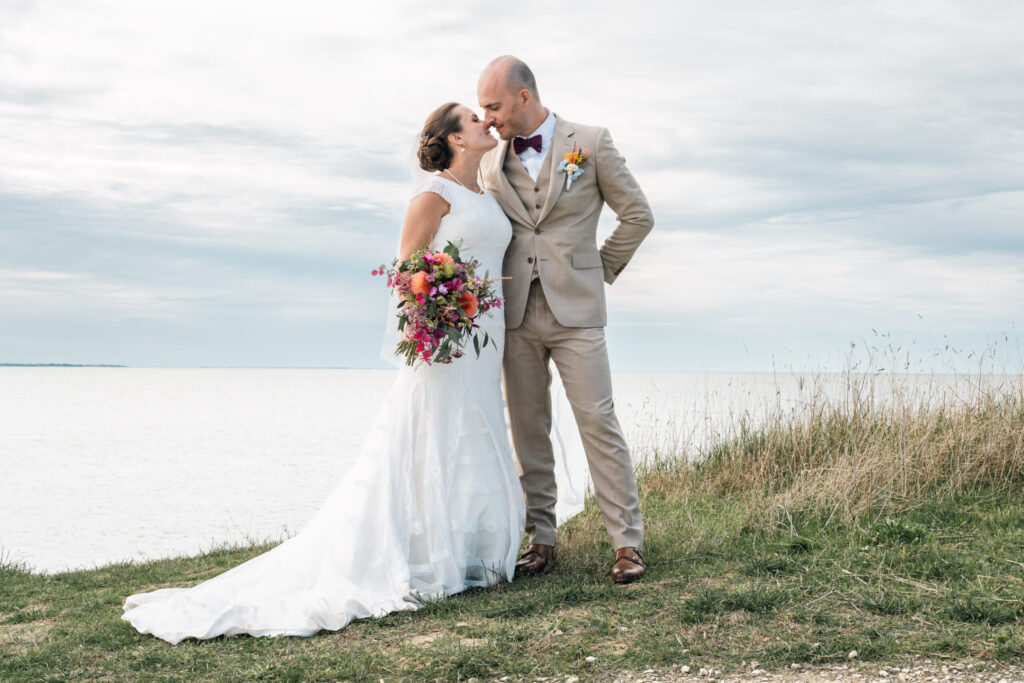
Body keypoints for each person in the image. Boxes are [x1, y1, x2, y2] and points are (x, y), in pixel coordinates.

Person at [121, 102, 526, 643]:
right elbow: (408, 272)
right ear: (455, 139)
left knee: (476, 430)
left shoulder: (487, 193)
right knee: (439, 434)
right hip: (449, 339)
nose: (485, 124)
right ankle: (430, 555)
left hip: (486, 335)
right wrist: (443, 311)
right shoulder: (435, 194)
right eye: (475, 119)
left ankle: (475, 551)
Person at [478, 56, 654, 583]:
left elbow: (638, 214)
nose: (487, 118)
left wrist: (599, 269)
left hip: (578, 312)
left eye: (494, 105)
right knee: (528, 427)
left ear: (524, 98)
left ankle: (627, 544)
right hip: (514, 314)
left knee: (598, 422)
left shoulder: (592, 143)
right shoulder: (490, 163)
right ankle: (541, 537)